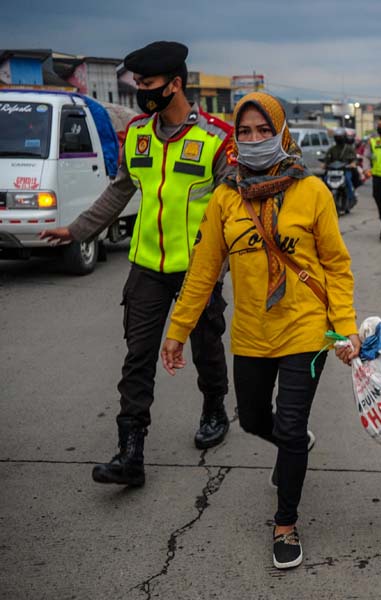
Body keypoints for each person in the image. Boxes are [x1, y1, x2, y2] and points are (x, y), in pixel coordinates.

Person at [160, 92, 360, 569]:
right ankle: (292, 443)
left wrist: (345, 328)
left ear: (280, 133)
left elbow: (336, 265)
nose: (252, 140)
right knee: (251, 419)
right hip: (251, 332)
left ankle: (286, 522)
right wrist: (178, 328)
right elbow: (204, 270)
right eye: (243, 132)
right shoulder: (226, 197)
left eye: (262, 131)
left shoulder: (312, 192)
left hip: (305, 328)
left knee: (289, 428)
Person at [39, 41, 233, 486]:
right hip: (146, 267)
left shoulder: (216, 139)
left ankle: (214, 408)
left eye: (147, 84)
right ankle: (130, 452)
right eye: (139, 84)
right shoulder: (139, 135)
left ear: (175, 84)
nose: (142, 91)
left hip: (197, 270)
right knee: (137, 356)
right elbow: (119, 191)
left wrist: (218, 269)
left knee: (205, 347)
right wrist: (76, 230)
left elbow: (232, 211)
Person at [322, 127, 357, 213]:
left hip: (345, 170)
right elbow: (327, 158)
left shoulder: (349, 148)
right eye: (337, 137)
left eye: (340, 137)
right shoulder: (332, 149)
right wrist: (324, 164)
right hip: (332, 171)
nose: (338, 139)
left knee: (348, 180)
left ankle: (351, 197)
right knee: (324, 181)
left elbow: (354, 159)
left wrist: (352, 163)